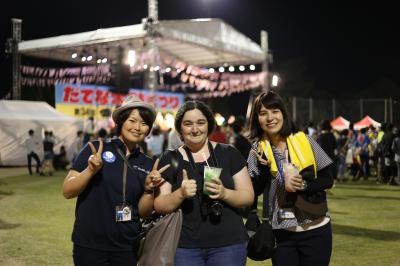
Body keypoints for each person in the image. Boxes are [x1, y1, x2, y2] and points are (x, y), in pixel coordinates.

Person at [63, 95, 169, 266]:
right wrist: (90, 170)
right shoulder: (97, 149)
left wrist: (149, 189)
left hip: (126, 247)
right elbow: (68, 191)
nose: (137, 127)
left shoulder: (148, 164)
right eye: (132, 120)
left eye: (143, 123)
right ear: (121, 121)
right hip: (90, 244)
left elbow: (142, 213)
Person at [154, 100, 254, 266]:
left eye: (201, 123)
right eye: (188, 124)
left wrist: (225, 193)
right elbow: (159, 204)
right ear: (179, 128)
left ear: (209, 125)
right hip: (184, 247)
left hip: (228, 245)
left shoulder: (228, 153)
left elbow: (248, 196)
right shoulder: (169, 158)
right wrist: (180, 194)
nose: (195, 129)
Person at [247, 90, 334, 266]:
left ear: (283, 113)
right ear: (257, 118)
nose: (270, 117)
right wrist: (264, 172)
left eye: (275, 111)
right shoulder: (257, 150)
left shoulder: (304, 140)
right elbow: (252, 192)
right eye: (263, 113)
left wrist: (304, 184)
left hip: (316, 228)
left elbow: (328, 179)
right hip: (281, 233)